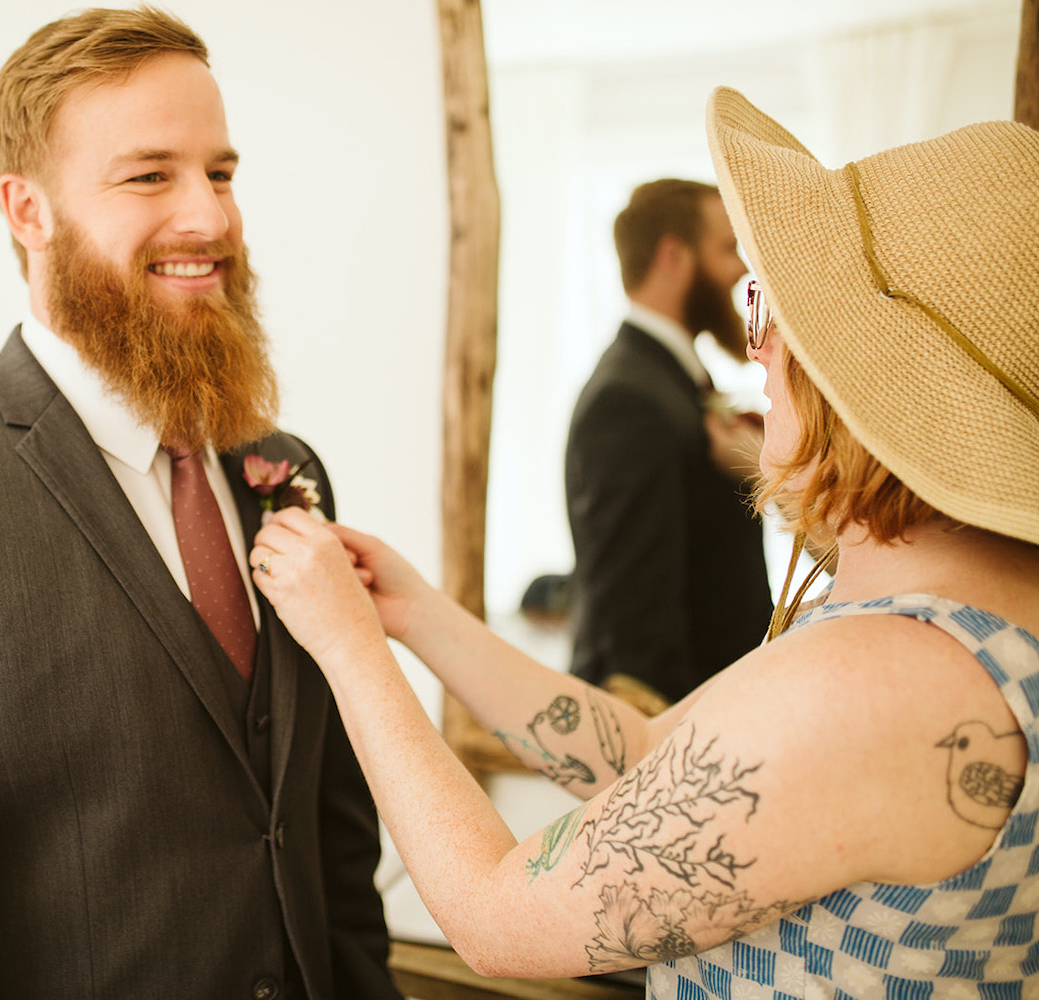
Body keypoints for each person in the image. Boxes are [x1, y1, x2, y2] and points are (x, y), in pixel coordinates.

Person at [249, 86, 1039, 997]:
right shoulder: (962, 619)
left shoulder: (872, 684)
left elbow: (498, 918)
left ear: (858, 373)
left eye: (773, 312)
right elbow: (647, 755)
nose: (760, 352)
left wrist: (348, 646)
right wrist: (415, 615)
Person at [0, 9, 399, 999]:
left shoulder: (284, 468)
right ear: (28, 210)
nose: (211, 218)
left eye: (220, 173)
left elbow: (326, 835)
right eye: (151, 175)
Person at [565, 177, 773, 709]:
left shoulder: (670, 380)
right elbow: (633, 618)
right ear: (673, 255)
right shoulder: (627, 402)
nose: (742, 267)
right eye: (728, 248)